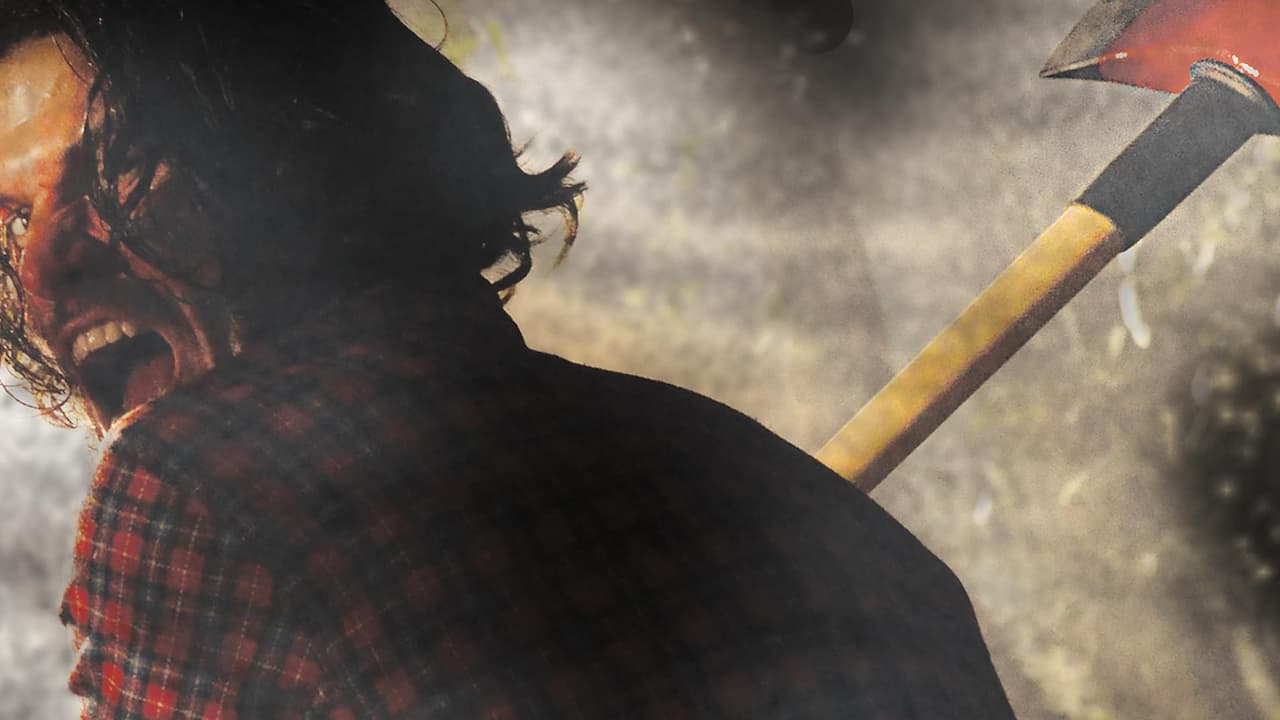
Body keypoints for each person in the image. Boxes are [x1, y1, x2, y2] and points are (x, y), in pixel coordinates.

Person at [0, 1, 1014, 717]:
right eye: (7, 220)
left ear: (305, 154)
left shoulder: (199, 480)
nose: (44, 267)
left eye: (122, 169)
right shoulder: (809, 510)